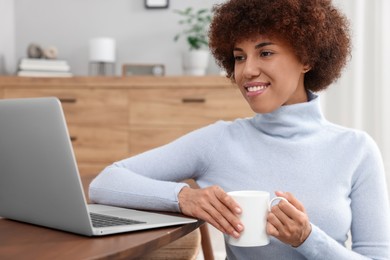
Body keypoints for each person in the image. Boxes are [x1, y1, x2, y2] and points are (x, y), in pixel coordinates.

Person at [89, 0, 390, 258]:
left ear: (307, 58)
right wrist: (184, 197)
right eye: (239, 57)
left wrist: (307, 239)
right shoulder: (218, 140)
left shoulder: (356, 150)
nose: (247, 71)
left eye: (266, 53)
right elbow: (105, 183)